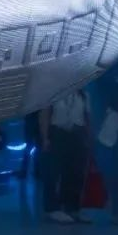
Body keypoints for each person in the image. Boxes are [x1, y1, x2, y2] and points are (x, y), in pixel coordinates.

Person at [39, 88, 92, 224]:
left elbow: (87, 118)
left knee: (75, 172)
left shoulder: (83, 95)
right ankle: (52, 208)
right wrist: (45, 138)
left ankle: (72, 207)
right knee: (53, 171)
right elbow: (45, 114)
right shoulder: (53, 93)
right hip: (58, 132)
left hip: (77, 133)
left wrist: (88, 138)